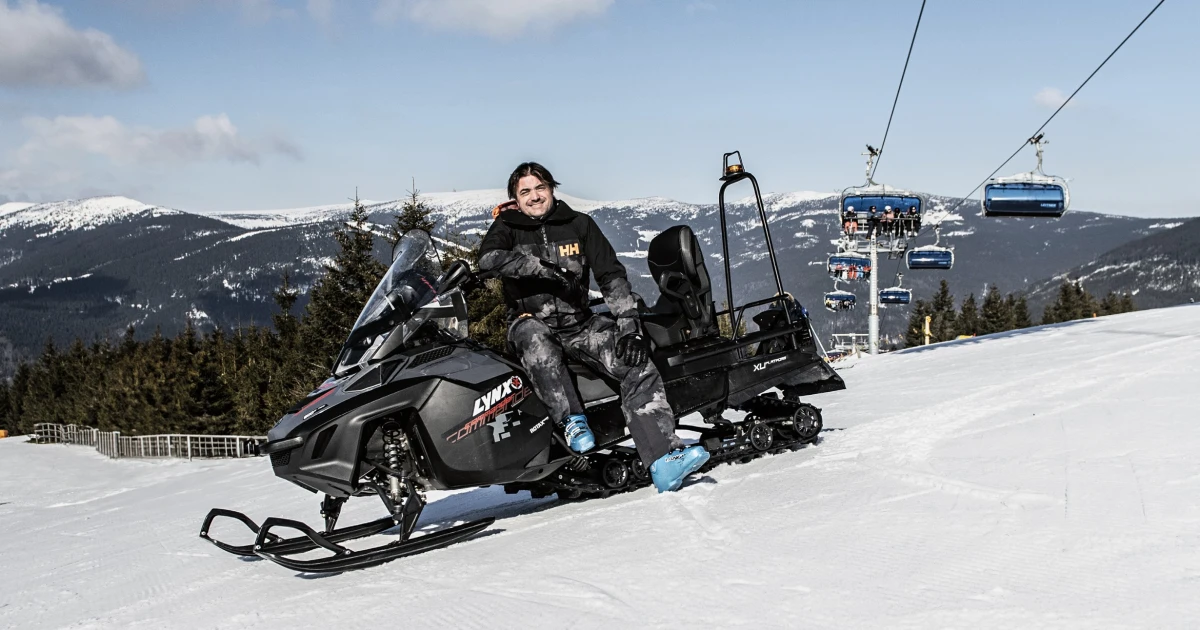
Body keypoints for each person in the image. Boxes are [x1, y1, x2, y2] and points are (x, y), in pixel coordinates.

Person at [479, 162, 710, 493]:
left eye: (539, 188)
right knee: (536, 340)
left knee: (634, 361)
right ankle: (571, 421)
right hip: (529, 322)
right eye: (525, 191)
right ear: (515, 198)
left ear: (551, 189)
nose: (534, 197)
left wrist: (629, 327)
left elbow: (611, 276)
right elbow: (487, 260)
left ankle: (663, 459)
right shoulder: (507, 226)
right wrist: (543, 269)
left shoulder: (578, 225)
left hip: (579, 323)